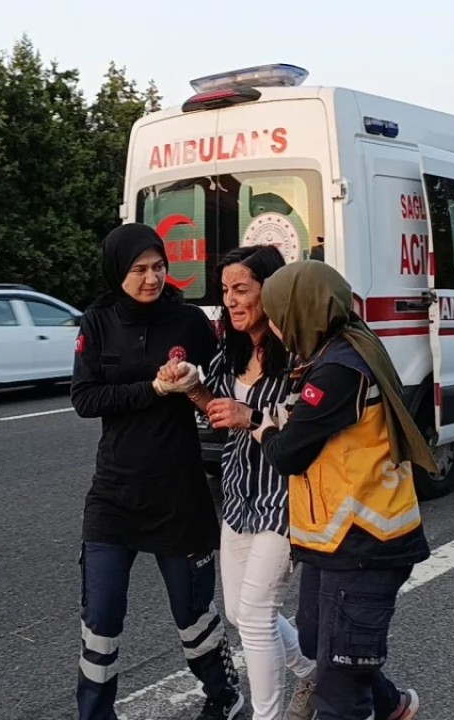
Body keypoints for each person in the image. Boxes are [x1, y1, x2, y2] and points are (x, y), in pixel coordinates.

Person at [71, 223, 242, 720]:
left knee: (193, 619)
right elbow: (85, 398)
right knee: (100, 620)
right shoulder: (97, 321)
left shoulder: (187, 320)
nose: (152, 278)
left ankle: (224, 693)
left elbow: (231, 373)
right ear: (117, 270)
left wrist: (196, 380)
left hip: (178, 492)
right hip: (114, 494)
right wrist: (155, 389)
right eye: (140, 269)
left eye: (159, 267)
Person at [254, 260, 434, 720]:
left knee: (338, 689)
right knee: (322, 645)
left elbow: (288, 454)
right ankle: (393, 706)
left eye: (276, 314)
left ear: (302, 311)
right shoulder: (343, 345)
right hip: (334, 540)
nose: (273, 325)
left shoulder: (339, 370)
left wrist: (261, 428)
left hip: (364, 544)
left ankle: (375, 704)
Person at [180, 245, 319, 720]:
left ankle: (267, 716)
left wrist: (252, 414)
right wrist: (192, 389)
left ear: (271, 291)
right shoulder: (232, 349)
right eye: (225, 291)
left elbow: (306, 423)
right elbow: (220, 411)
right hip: (239, 495)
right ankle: (313, 672)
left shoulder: (301, 352)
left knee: (256, 614)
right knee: (239, 613)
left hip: (284, 495)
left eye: (242, 289)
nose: (232, 301)